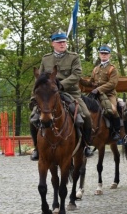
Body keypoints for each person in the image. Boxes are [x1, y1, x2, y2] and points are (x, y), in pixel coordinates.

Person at [29, 30, 94, 161]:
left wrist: (60, 85)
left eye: (64, 42)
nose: (62, 44)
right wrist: (33, 96)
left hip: (70, 92)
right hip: (49, 95)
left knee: (86, 115)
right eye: (59, 42)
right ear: (53, 43)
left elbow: (76, 75)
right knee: (33, 118)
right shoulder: (46, 59)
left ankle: (86, 145)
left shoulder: (74, 57)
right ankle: (37, 148)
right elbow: (40, 80)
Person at [79, 44, 121, 141]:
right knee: (83, 108)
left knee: (113, 110)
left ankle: (117, 131)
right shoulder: (96, 69)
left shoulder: (112, 69)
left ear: (109, 55)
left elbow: (112, 84)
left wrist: (98, 89)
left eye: (106, 54)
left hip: (109, 94)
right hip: (95, 94)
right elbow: (91, 83)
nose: (104, 55)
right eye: (102, 53)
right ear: (99, 55)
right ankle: (86, 133)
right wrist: (80, 79)